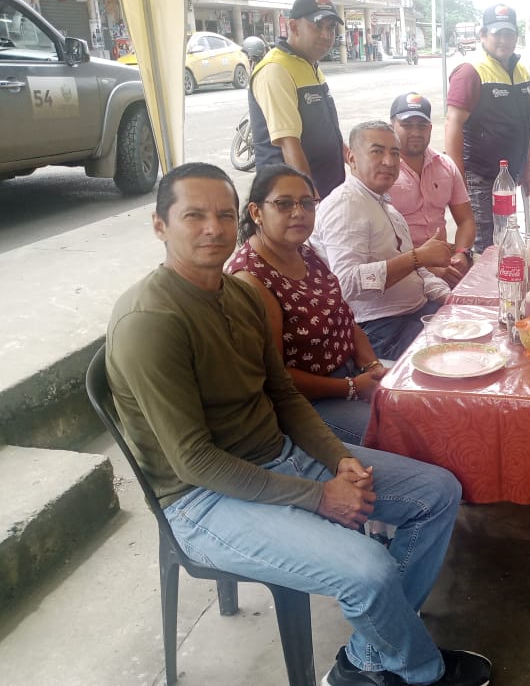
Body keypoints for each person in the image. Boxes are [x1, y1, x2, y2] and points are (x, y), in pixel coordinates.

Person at [105, 162, 492, 686]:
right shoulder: (151, 322)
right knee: (369, 570)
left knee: (437, 493)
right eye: (194, 216)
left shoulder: (239, 294)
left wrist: (340, 460)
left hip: (279, 455)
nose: (213, 229)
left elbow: (284, 395)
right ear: (160, 226)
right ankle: (421, 672)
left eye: (223, 215)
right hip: (203, 499)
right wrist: (319, 497)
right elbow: (193, 462)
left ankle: (367, 657)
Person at [227, 165, 387, 445]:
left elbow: (342, 318)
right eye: (284, 203)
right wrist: (350, 387)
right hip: (308, 403)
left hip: (351, 374)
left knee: (424, 401)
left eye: (307, 203)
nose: (299, 212)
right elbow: (276, 377)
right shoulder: (251, 279)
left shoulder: (303, 251)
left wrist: (372, 366)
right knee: (405, 429)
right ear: (256, 212)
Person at [310, 121, 453, 360]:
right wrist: (417, 257)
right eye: (377, 151)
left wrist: (449, 298)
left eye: (395, 153)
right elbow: (346, 283)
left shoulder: (385, 206)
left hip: (418, 312)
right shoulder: (346, 205)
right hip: (382, 330)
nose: (389, 161)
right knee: (461, 359)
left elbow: (418, 273)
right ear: (352, 158)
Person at [446, 4, 530, 252]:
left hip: (508, 177)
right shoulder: (470, 71)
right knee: (484, 245)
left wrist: (529, 166)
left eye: (509, 34)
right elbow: (453, 124)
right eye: (498, 34)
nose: (504, 40)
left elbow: (525, 124)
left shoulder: (521, 71)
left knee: (505, 238)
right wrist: (457, 180)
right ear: (483, 35)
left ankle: (503, 277)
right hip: (480, 178)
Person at [249, 0, 348, 199]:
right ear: (293, 27)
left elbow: (327, 130)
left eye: (331, 28)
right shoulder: (276, 69)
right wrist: (311, 199)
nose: (326, 35)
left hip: (328, 192)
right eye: (318, 26)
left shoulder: (309, 64)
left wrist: (356, 159)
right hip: (295, 199)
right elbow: (289, 143)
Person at [388, 92, 476, 288]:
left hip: (445, 262)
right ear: (392, 126)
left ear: (430, 128)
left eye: (421, 126)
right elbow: (378, 243)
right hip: (401, 271)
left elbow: (466, 220)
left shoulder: (446, 166)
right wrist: (425, 265)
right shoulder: (384, 172)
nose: (415, 132)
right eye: (407, 125)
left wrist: (461, 253)